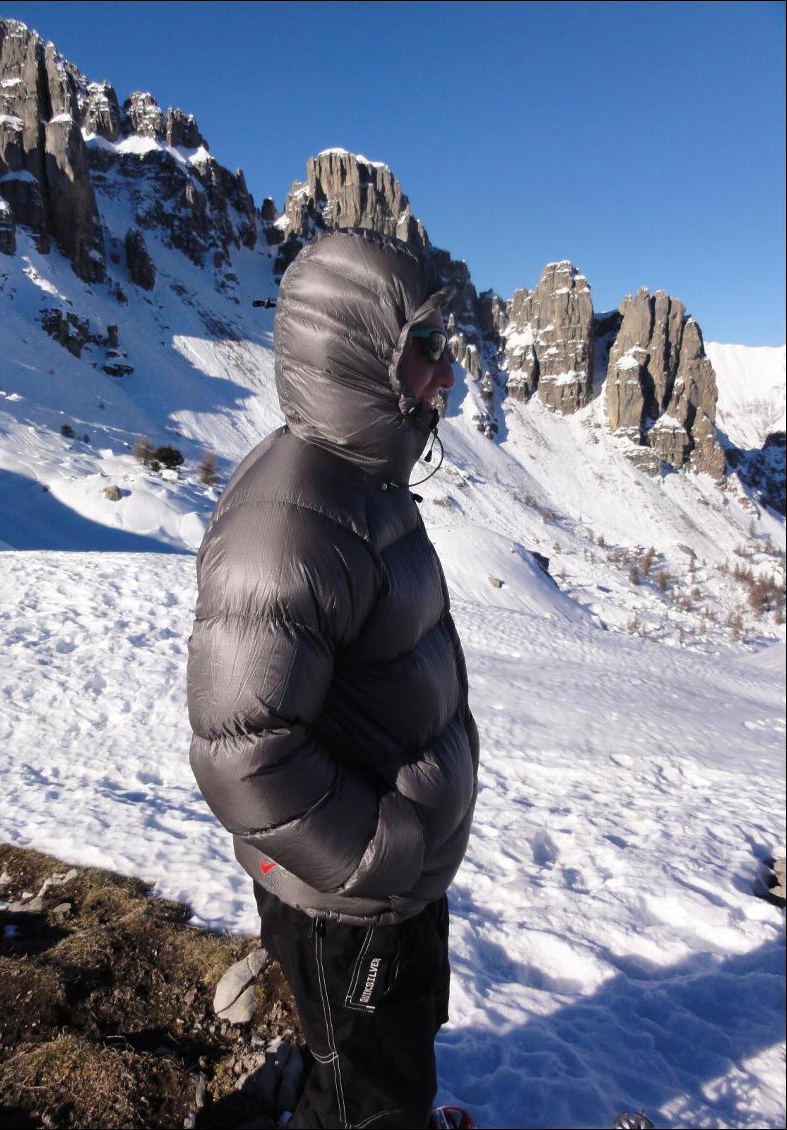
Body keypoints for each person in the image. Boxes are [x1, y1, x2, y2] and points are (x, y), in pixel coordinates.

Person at [187, 228, 480, 1129]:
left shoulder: (362, 480)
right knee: (367, 1100)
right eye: (424, 347)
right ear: (358, 352)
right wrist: (381, 852)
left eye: (444, 345)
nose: (446, 372)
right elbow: (242, 754)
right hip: (349, 897)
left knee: (390, 1050)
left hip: (388, 888)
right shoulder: (291, 528)